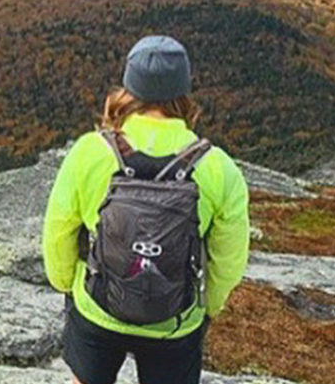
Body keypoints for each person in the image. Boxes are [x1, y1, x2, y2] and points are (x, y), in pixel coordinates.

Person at [42, 35, 250, 384]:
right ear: (184, 90)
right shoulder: (219, 168)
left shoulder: (89, 152)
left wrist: (67, 285)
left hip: (98, 308)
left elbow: (58, 229)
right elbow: (228, 260)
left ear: (128, 87)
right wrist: (206, 306)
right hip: (175, 321)